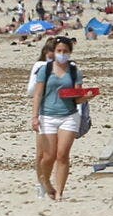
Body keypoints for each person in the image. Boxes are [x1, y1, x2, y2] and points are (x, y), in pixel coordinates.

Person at [32, 38, 89, 200]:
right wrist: (35, 116)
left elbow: (77, 98)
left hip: (69, 116)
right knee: (48, 156)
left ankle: (59, 192)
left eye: (65, 51)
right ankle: (45, 182)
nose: (62, 54)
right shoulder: (46, 69)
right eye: (59, 51)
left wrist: (86, 97)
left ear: (70, 52)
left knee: (62, 154)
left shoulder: (74, 71)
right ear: (54, 51)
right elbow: (37, 94)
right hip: (47, 116)